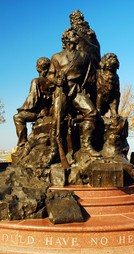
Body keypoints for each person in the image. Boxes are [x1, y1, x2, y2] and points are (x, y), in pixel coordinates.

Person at [47, 29, 100, 163]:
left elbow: (92, 74)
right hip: (62, 90)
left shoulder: (84, 55)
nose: (76, 37)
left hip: (77, 89)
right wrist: (56, 81)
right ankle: (54, 151)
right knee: (56, 122)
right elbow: (50, 76)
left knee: (91, 112)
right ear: (66, 39)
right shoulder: (56, 57)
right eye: (73, 35)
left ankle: (86, 146)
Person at [13, 57, 53, 148]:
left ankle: (22, 144)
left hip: (39, 113)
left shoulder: (36, 81)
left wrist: (22, 109)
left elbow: (32, 100)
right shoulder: (52, 82)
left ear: (38, 68)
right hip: (48, 111)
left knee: (18, 117)